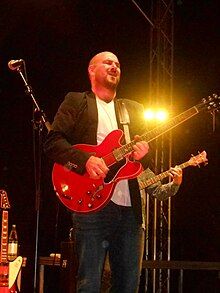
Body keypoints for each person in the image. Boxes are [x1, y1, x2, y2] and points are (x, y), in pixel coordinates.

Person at [44, 51, 183, 293]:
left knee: (128, 285)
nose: (114, 66)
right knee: (89, 282)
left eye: (118, 64)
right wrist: (85, 160)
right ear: (91, 69)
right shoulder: (77, 101)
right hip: (91, 205)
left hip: (130, 211)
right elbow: (53, 142)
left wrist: (143, 152)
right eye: (108, 62)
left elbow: (142, 161)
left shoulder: (133, 109)